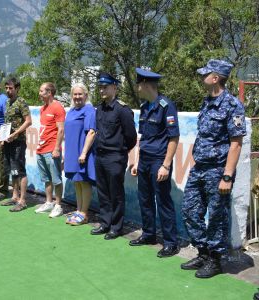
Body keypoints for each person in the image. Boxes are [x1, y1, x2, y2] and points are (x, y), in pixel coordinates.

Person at [181, 59, 246, 278]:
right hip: (200, 168)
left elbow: (236, 143)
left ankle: (216, 260)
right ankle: (203, 252)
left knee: (217, 216)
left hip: (219, 170)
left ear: (215, 78)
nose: (202, 77)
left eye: (205, 74)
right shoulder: (207, 102)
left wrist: (227, 176)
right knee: (190, 210)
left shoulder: (232, 105)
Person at [129, 68, 180, 258]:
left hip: (159, 160)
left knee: (163, 201)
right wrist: (136, 161)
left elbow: (174, 138)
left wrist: (166, 165)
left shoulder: (166, 106)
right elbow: (142, 138)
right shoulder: (144, 107)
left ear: (145, 85)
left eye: (138, 84)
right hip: (145, 160)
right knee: (145, 199)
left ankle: (170, 243)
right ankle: (149, 234)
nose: (137, 88)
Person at [91, 72, 137, 239]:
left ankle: (116, 227)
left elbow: (131, 137)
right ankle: (105, 223)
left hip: (115, 157)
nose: (102, 90)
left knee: (116, 193)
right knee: (103, 191)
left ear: (114, 88)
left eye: (105, 87)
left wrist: (120, 150)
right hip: (100, 155)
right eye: (100, 87)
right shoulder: (100, 108)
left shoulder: (122, 110)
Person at [64, 83, 96, 225]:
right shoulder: (71, 111)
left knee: (84, 181)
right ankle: (78, 210)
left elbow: (92, 132)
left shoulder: (89, 110)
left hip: (83, 153)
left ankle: (84, 213)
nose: (77, 97)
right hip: (72, 152)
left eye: (80, 94)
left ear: (86, 95)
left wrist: (84, 153)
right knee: (77, 182)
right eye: (75, 94)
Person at [0, 77, 32, 212]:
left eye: (11, 88)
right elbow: (7, 123)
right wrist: (1, 135)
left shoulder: (21, 102)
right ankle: (14, 196)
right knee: (12, 170)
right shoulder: (7, 102)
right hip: (8, 142)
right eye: (6, 88)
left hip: (18, 142)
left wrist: (15, 134)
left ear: (17, 88)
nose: (8, 90)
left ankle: (23, 200)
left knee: (20, 170)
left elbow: (28, 121)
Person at [34, 82, 65, 218]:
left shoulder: (57, 107)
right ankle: (49, 202)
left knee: (56, 179)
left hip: (52, 149)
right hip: (41, 149)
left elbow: (61, 129)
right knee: (46, 179)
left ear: (49, 93)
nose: (39, 94)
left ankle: (58, 205)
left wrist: (57, 148)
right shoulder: (42, 108)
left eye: (41, 91)